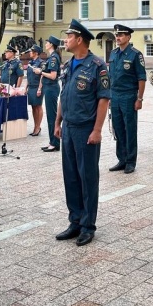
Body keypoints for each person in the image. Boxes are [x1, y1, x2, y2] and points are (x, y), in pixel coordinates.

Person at [54, 19, 110, 246]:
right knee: (71, 177)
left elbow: (103, 100)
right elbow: (63, 95)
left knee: (87, 178)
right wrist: (58, 122)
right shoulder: (68, 65)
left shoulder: (97, 66)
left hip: (86, 130)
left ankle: (88, 225)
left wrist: (97, 130)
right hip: (68, 128)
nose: (65, 40)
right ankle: (75, 221)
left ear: (79, 40)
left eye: (68, 36)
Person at [108, 24, 147, 174]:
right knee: (118, 129)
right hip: (115, 96)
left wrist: (140, 98)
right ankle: (121, 159)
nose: (118, 37)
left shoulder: (135, 54)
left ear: (129, 37)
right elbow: (111, 77)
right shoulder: (113, 53)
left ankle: (131, 161)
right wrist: (109, 95)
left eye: (122, 35)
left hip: (129, 96)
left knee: (130, 129)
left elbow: (141, 78)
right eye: (117, 35)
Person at [36, 36, 62, 153]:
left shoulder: (53, 58)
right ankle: (52, 142)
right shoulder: (51, 57)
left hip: (51, 88)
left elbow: (53, 76)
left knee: (52, 116)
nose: (45, 44)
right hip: (48, 88)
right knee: (50, 116)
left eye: (47, 42)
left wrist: (40, 72)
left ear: (51, 44)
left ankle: (55, 143)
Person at [25, 45, 44, 136]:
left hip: (37, 86)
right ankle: (35, 126)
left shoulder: (41, 63)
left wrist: (40, 88)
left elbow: (42, 76)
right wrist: (25, 87)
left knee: (38, 106)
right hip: (31, 87)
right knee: (33, 107)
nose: (29, 53)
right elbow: (28, 76)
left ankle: (38, 127)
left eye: (31, 51)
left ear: (36, 52)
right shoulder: (30, 62)